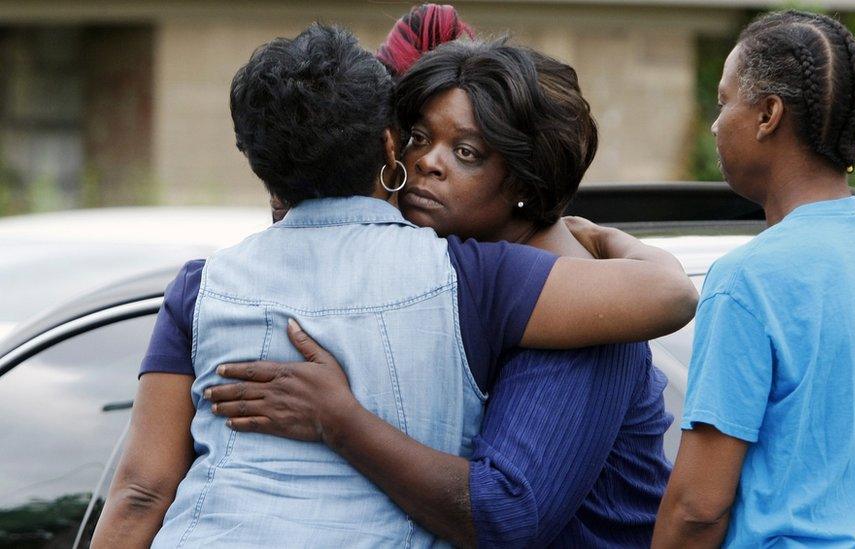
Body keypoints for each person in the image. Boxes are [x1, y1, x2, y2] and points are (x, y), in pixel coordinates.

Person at [91, 24, 696, 548]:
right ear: (389, 146)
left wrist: (341, 419)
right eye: (418, 138)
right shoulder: (461, 277)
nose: (428, 163)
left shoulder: (564, 304)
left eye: (467, 151)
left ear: (525, 178)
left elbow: (505, 514)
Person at [652, 10, 855, 547]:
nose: (714, 123)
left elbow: (697, 509)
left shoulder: (746, 280)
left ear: (768, 115)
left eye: (724, 100)